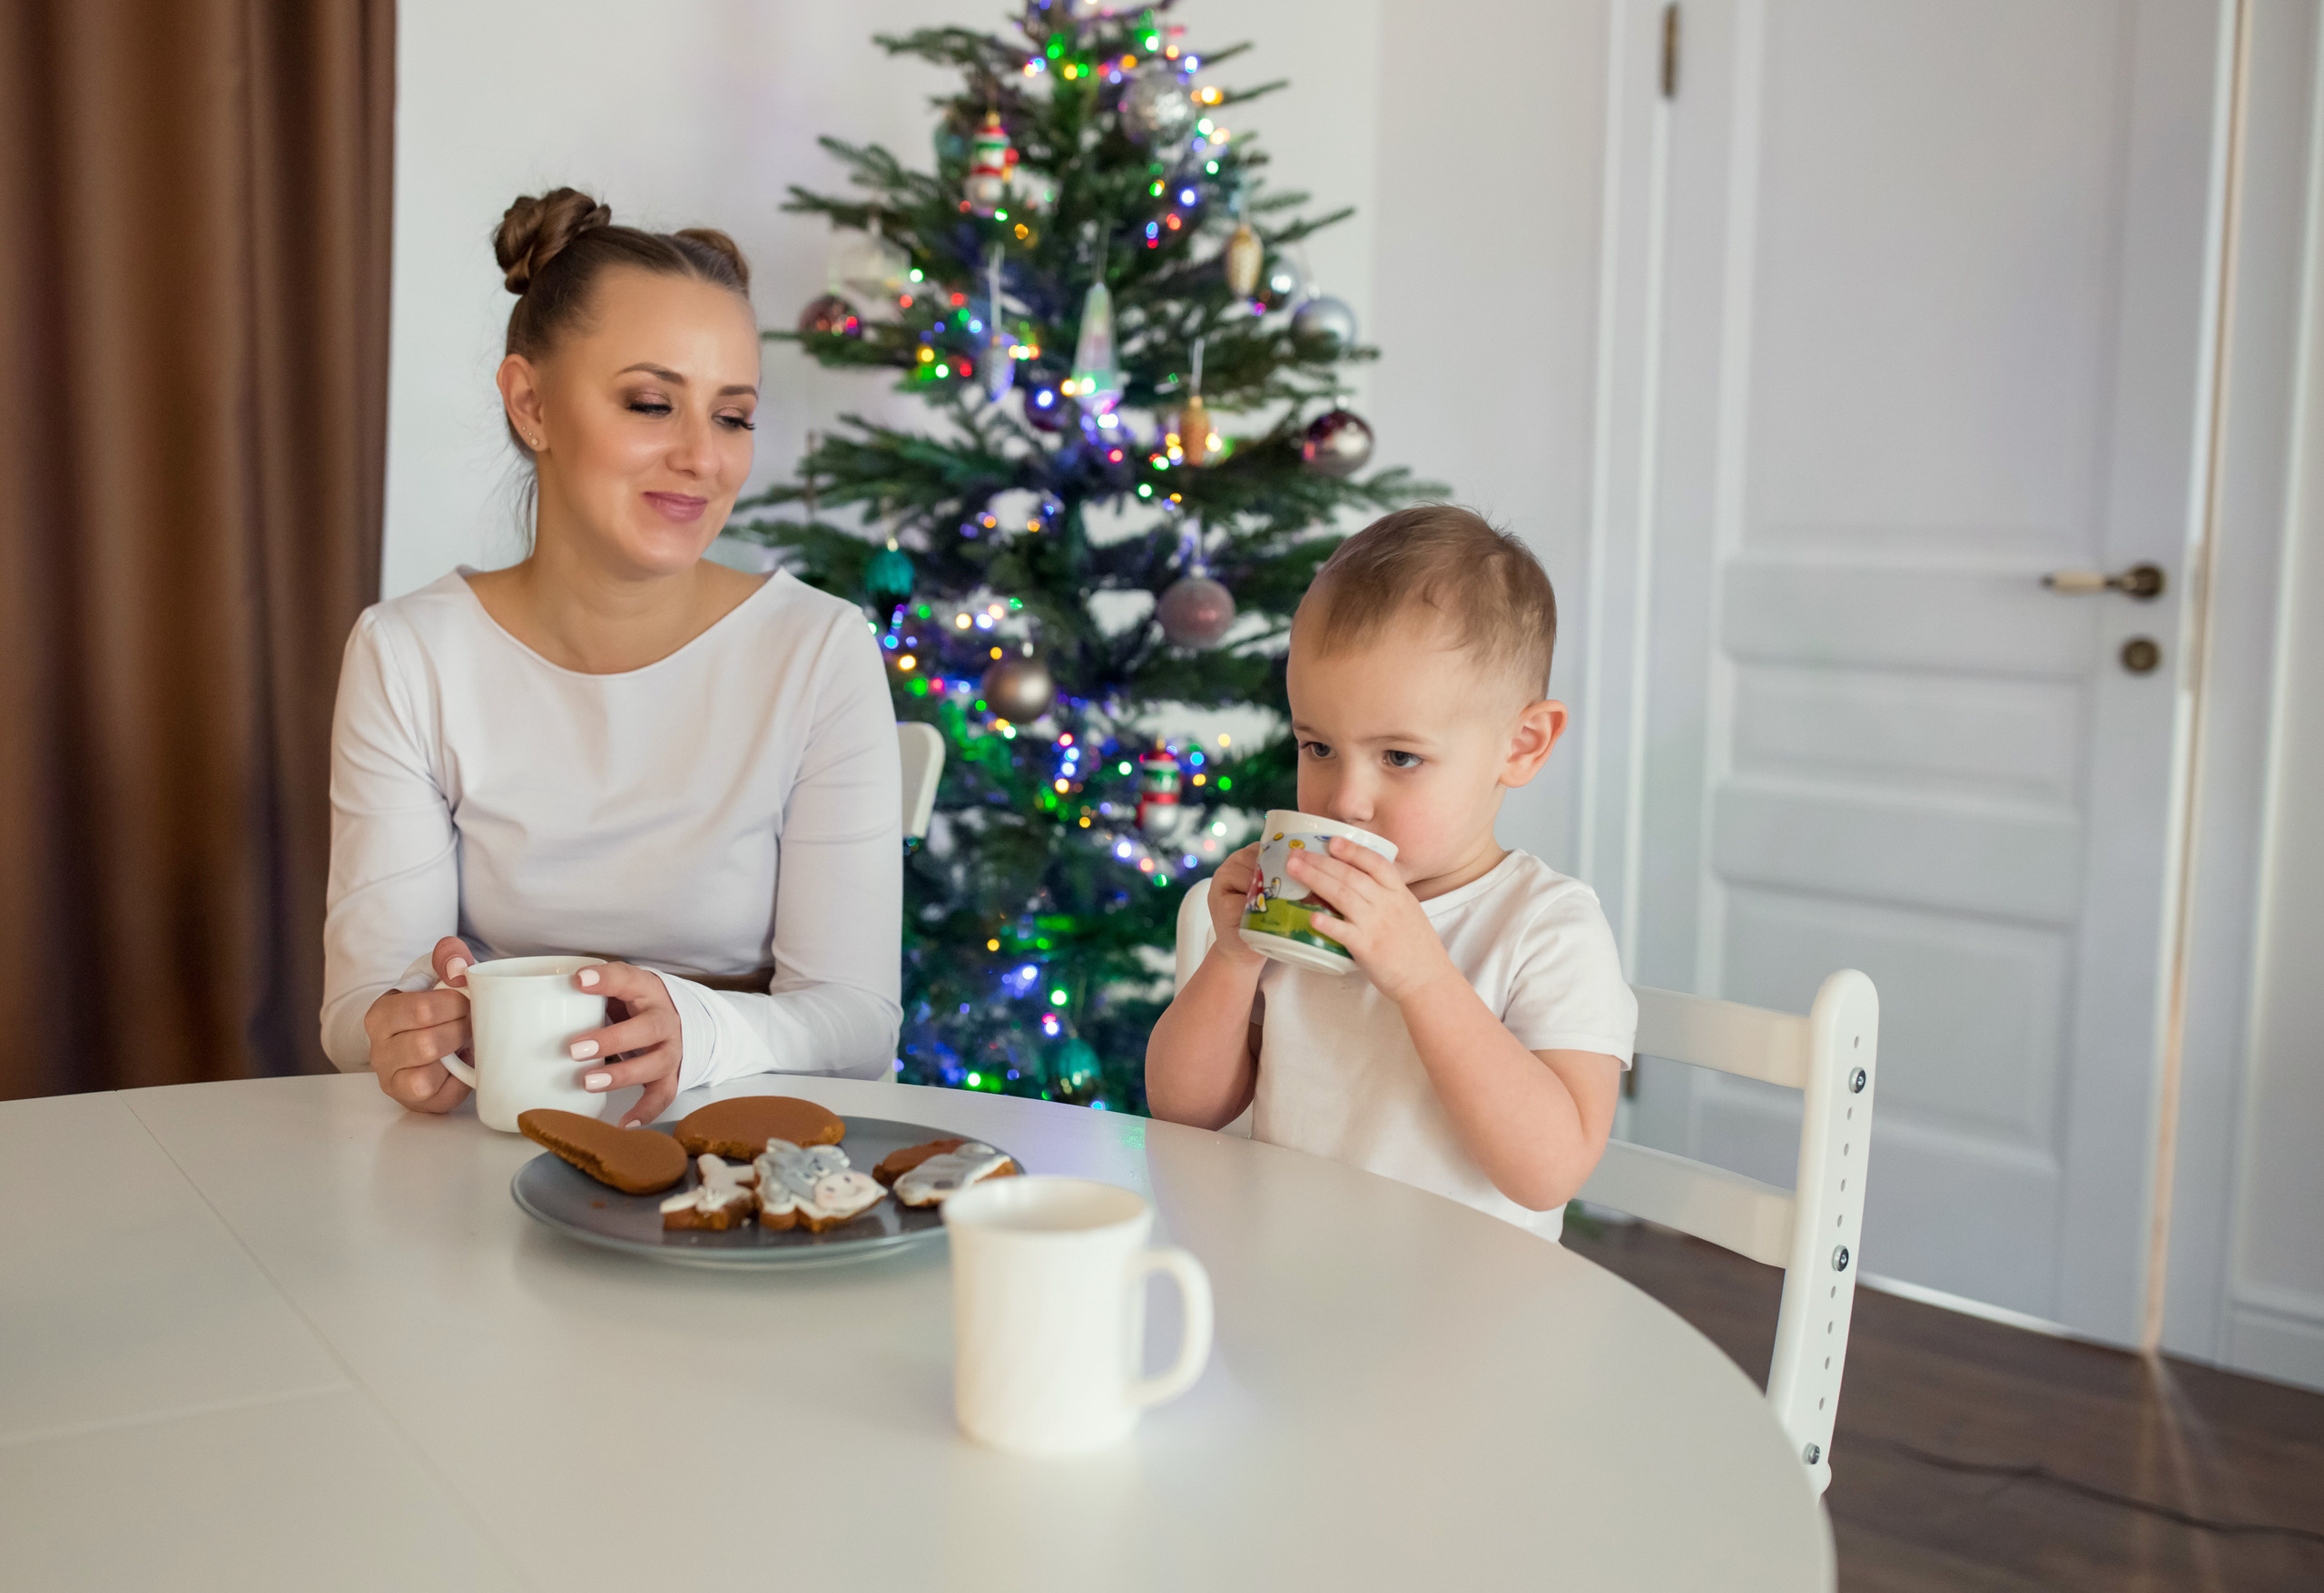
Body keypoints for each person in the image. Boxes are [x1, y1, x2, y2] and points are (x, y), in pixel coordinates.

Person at [323, 188, 901, 1127]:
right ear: (531, 404)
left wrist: (696, 1030)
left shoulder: (817, 652)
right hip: (484, 1159)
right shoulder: (410, 654)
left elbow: (858, 1024)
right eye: (649, 403)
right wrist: (402, 1035)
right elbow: (360, 1013)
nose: (701, 458)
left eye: (732, 417)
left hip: (738, 1157)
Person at [1144, 506, 1636, 1237]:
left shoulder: (1546, 927)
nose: (1345, 800)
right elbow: (1183, 1109)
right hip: (1288, 1286)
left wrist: (1423, 977)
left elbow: (1549, 1170)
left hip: (1463, 1321)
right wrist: (1234, 955)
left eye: (1399, 757)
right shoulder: (1298, 907)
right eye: (1318, 747)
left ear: (1522, 745)